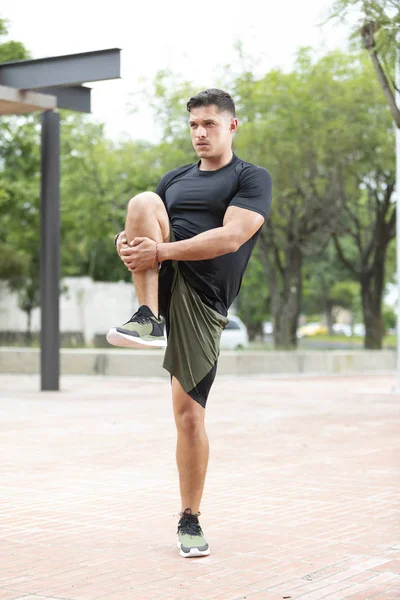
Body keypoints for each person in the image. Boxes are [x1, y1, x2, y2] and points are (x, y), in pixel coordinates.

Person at [107, 89, 272, 558]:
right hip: (166, 280)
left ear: (232, 126)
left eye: (210, 124)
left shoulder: (250, 178)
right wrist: (129, 244)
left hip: (204, 299)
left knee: (188, 416)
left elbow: (230, 237)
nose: (200, 133)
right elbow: (147, 230)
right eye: (194, 125)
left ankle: (190, 517)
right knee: (141, 202)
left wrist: (159, 251)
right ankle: (147, 317)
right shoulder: (175, 178)